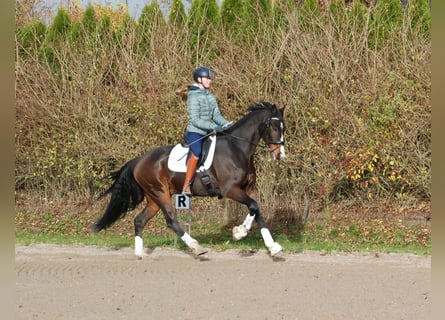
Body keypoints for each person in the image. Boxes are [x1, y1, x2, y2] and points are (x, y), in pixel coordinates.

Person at [181, 66, 231, 196]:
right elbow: (195, 120)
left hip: (208, 132)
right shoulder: (193, 97)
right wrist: (213, 126)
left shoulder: (211, 97)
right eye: (207, 78)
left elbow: (216, 116)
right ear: (199, 79)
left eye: (210, 79)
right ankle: (186, 185)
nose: (210, 81)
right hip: (195, 132)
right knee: (197, 153)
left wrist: (228, 124)